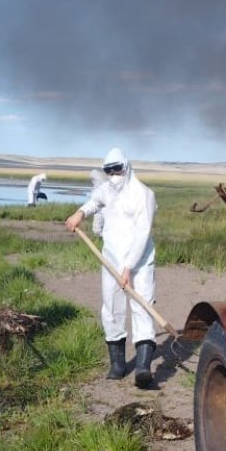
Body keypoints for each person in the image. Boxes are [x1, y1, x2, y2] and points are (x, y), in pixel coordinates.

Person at [65, 147, 157, 388]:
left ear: (126, 168)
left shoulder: (143, 195)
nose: (113, 174)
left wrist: (128, 267)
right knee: (112, 308)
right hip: (110, 260)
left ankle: (143, 367)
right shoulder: (106, 190)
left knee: (142, 307)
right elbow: (95, 201)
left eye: (117, 169)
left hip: (139, 263)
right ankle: (117, 364)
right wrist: (79, 213)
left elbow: (142, 234)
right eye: (109, 170)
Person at [89, 168, 106, 236]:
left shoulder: (100, 184)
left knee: (99, 217)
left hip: (100, 204)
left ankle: (98, 232)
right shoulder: (101, 183)